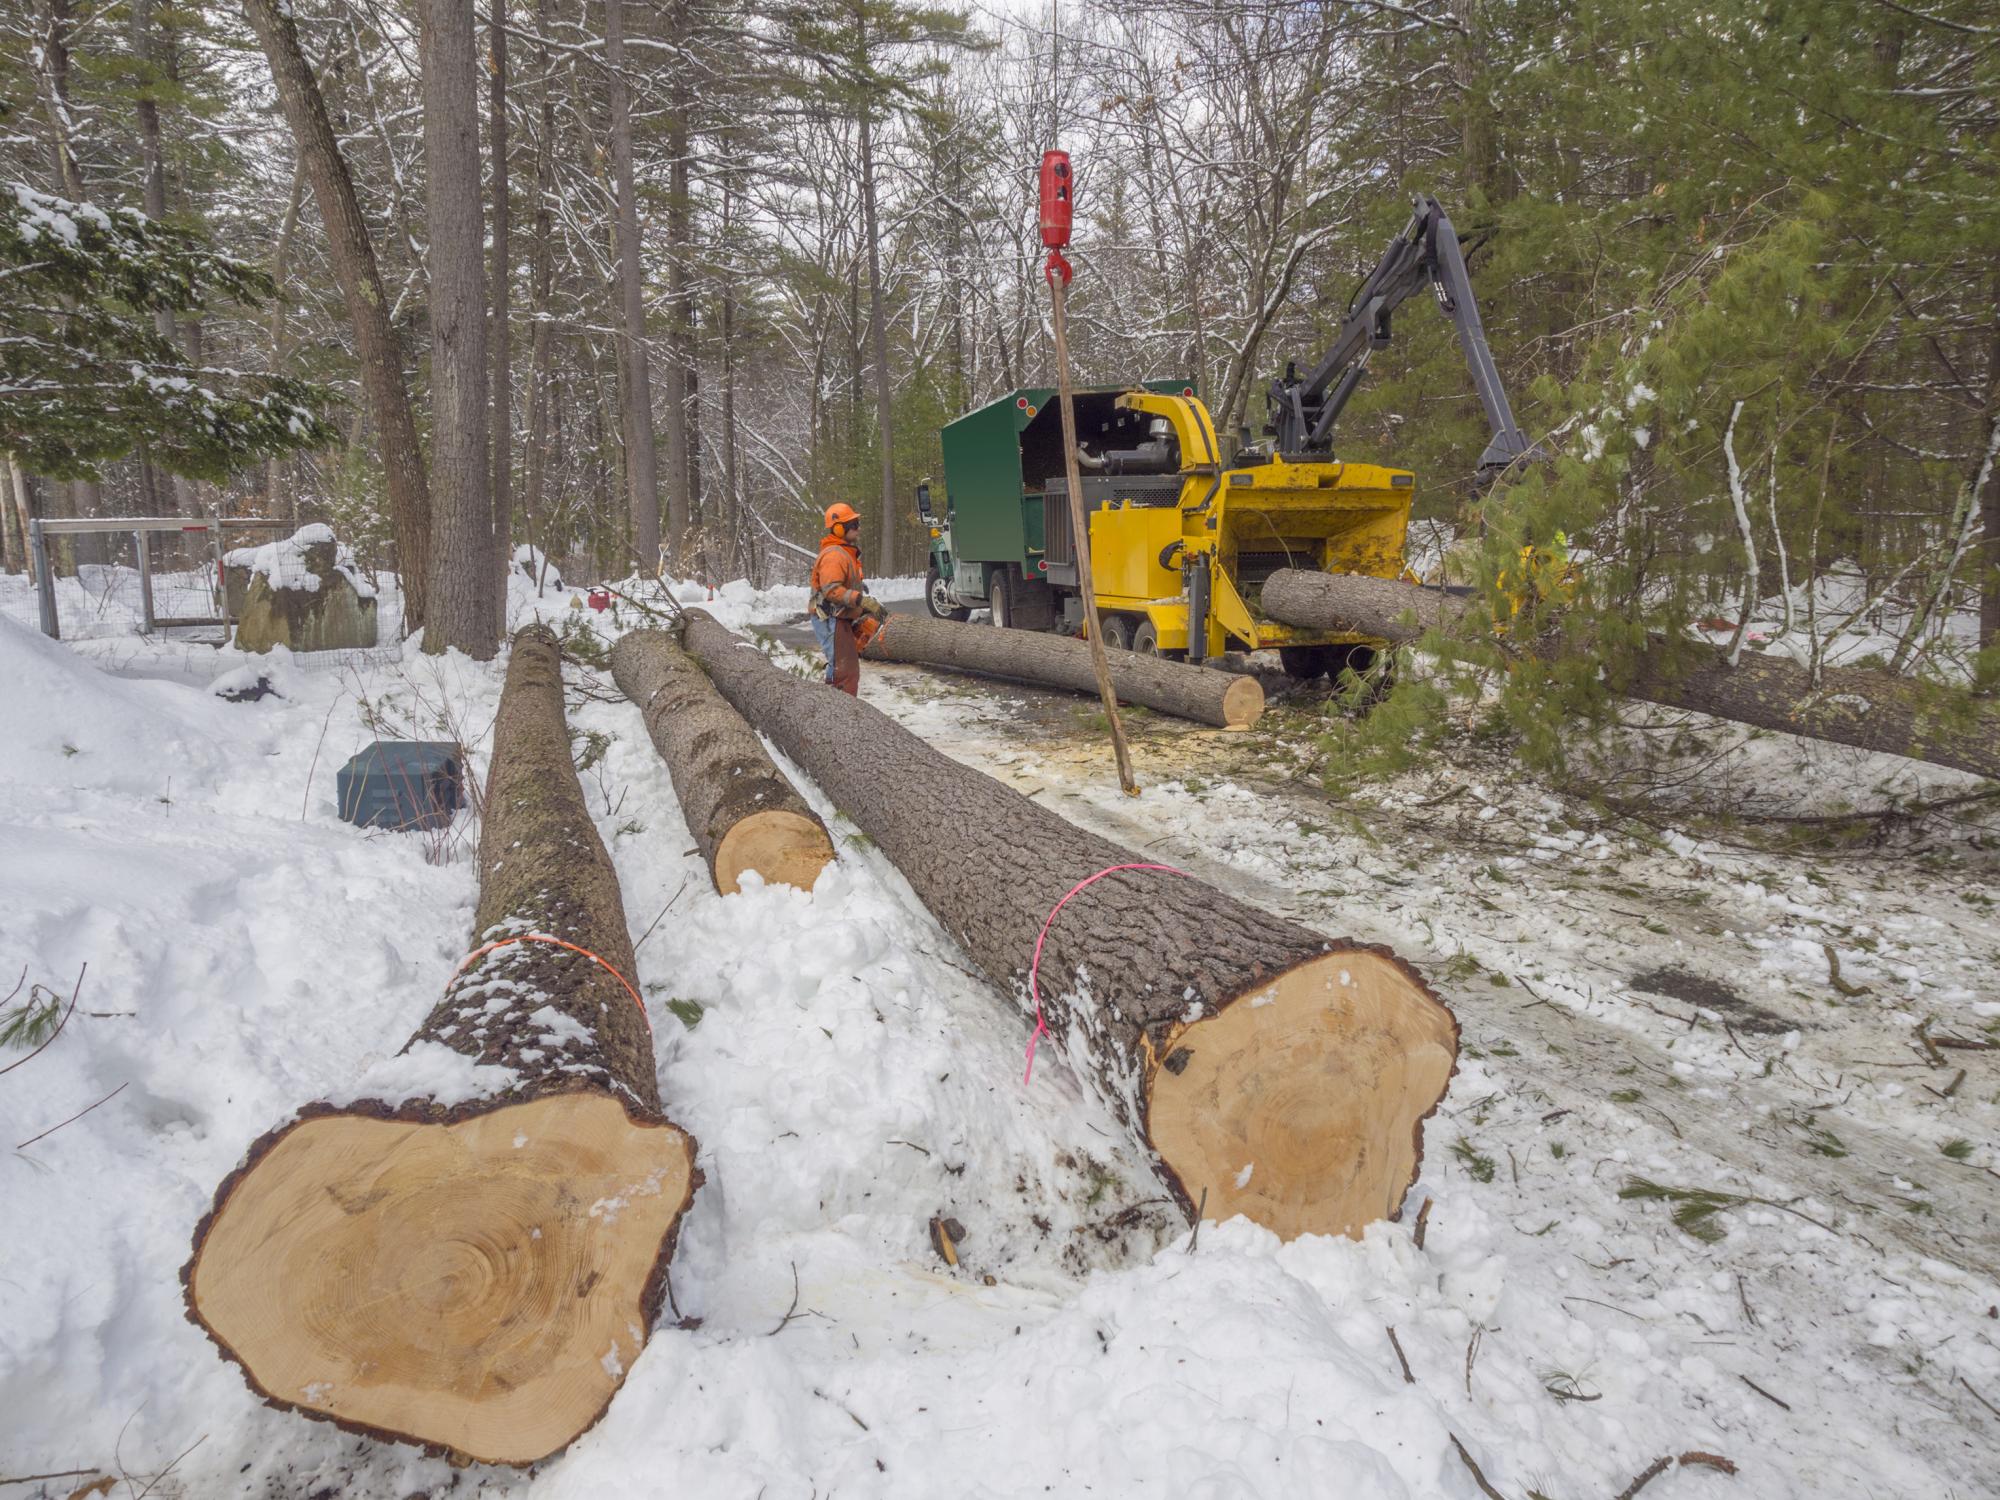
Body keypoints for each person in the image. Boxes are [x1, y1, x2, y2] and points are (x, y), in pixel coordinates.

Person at [808, 502, 885, 695]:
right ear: (838, 528)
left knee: (845, 666)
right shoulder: (834, 554)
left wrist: (861, 607)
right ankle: (837, 710)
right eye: (852, 524)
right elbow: (832, 590)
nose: (857, 528)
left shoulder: (844, 552)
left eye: (857, 523)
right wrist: (860, 600)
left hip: (839, 617)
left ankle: (838, 706)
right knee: (842, 668)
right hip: (830, 618)